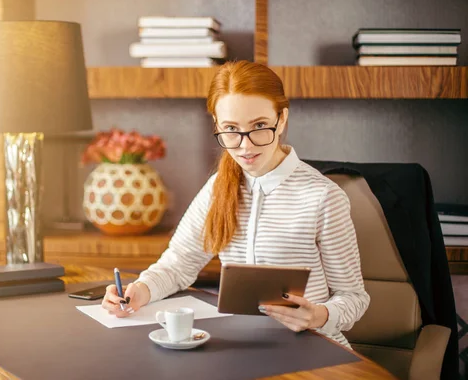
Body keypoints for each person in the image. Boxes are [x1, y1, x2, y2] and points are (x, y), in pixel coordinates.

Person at [101, 60, 370, 348]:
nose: (245, 146)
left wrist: (319, 315)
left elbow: (354, 297)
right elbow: (178, 265)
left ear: (282, 120)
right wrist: (138, 292)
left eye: (259, 126)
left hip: (314, 345)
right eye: (231, 129)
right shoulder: (219, 187)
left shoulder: (323, 197)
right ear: (216, 125)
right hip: (239, 345)